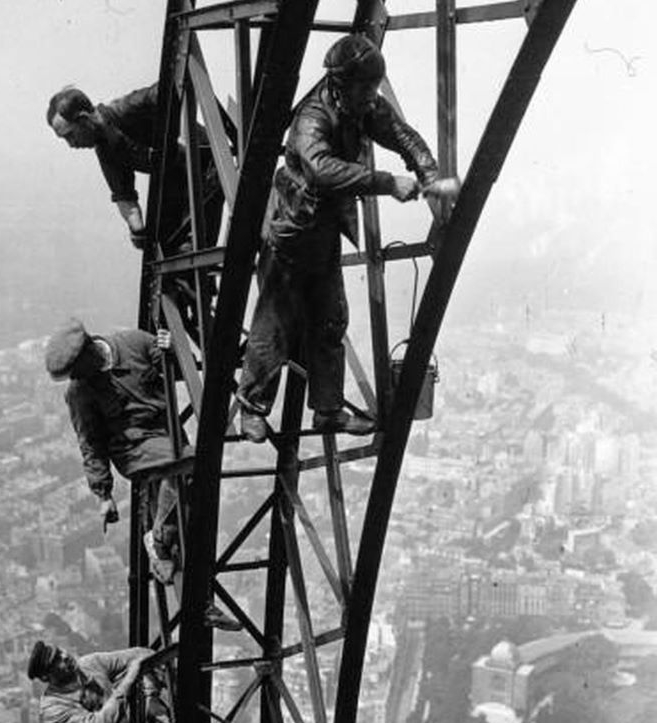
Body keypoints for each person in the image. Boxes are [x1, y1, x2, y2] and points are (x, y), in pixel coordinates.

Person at [237, 34, 456, 443]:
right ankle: (252, 409)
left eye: (375, 88)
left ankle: (328, 410)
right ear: (343, 84)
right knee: (274, 325)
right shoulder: (312, 118)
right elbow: (322, 170)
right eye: (367, 88)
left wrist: (428, 173)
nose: (373, 97)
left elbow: (400, 134)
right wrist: (388, 182)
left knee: (331, 318)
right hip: (291, 231)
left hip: (321, 230)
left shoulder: (360, 103)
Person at [44, 318, 241, 631]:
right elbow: (91, 443)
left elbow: (175, 372)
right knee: (191, 469)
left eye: (77, 370)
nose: (76, 378)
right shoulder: (80, 392)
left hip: (167, 437)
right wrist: (103, 495)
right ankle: (159, 538)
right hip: (133, 450)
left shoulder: (134, 342)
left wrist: (171, 350)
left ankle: (199, 603)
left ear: (91, 351)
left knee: (187, 520)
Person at [47, 84, 224, 336]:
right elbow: (125, 197)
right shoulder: (105, 150)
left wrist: (181, 134)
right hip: (177, 182)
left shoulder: (128, 108)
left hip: (206, 167)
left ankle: (206, 322)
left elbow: (176, 86)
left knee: (186, 254)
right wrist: (137, 230)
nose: (71, 145)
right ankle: (188, 321)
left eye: (69, 136)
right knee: (168, 260)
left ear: (84, 119)